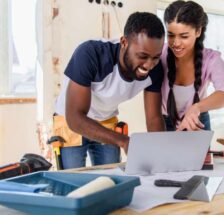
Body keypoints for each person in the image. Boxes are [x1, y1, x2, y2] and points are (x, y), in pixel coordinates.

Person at [53, 12, 165, 169]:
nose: (148, 65)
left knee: (111, 179)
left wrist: (163, 154)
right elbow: (75, 117)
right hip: (71, 120)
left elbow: (154, 118)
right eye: (142, 56)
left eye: (155, 57)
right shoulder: (90, 54)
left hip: (106, 120)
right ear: (124, 42)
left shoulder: (156, 69)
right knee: (72, 182)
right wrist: (123, 141)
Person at [161, 0, 224, 131]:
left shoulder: (211, 59)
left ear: (198, 31)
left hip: (197, 121)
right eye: (171, 35)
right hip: (164, 121)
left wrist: (197, 108)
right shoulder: (159, 53)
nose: (176, 43)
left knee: (202, 153)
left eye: (184, 36)